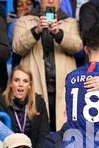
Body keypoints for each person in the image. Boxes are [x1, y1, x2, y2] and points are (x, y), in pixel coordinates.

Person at [13, 0, 83, 131]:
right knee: (38, 132)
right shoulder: (24, 21)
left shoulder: (71, 22)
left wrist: (58, 33)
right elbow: (17, 47)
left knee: (63, 133)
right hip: (36, 87)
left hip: (62, 88)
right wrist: (36, 30)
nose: (51, 1)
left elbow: (77, 46)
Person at [3, 66, 50, 148]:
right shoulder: (1, 103)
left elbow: (44, 134)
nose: (21, 84)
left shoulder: (39, 103)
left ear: (29, 85)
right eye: (17, 80)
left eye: (25, 81)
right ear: (10, 83)